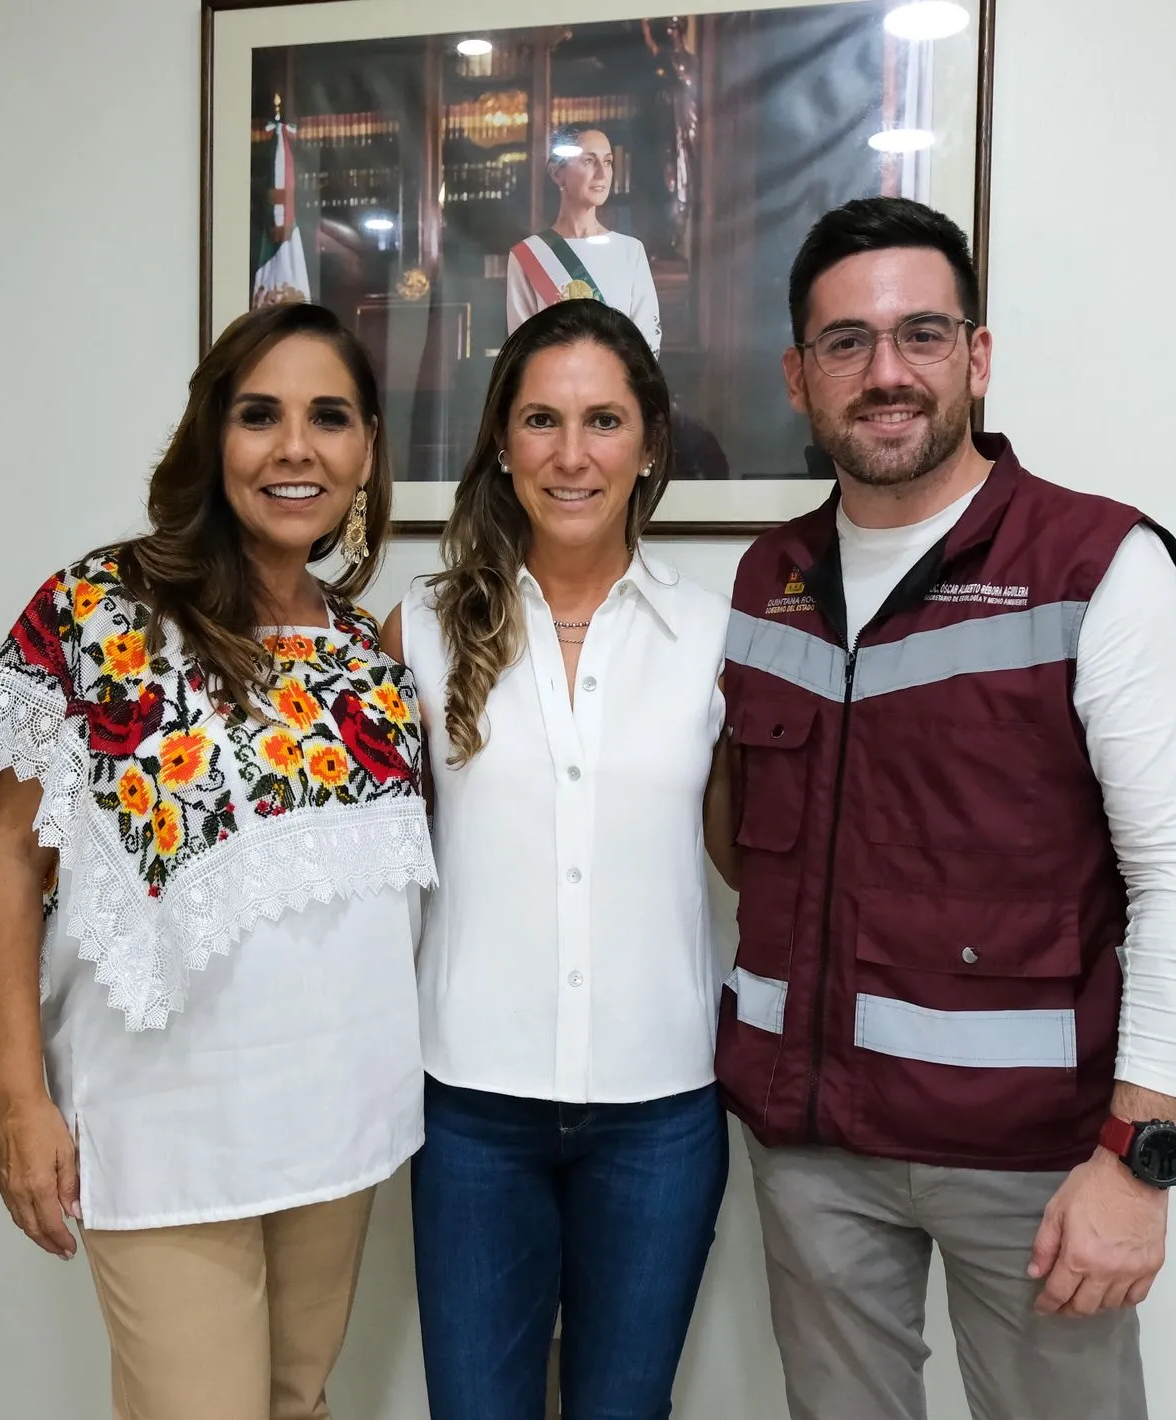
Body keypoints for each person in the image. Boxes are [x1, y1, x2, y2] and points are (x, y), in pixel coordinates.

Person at [709, 197, 1176, 1420]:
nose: (885, 373)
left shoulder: (1096, 566)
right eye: (846, 342)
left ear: (977, 356)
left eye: (921, 335)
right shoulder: (764, 581)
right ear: (798, 375)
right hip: (809, 1144)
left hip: (1038, 1164)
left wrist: (1137, 1161)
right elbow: (746, 843)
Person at [0, 302, 432, 1420]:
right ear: (212, 438)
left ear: (365, 452)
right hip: (166, 1128)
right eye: (260, 415)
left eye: (330, 417)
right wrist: (17, 1097)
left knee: (297, 1401)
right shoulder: (99, 611)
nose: (295, 447)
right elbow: (10, 858)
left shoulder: (369, 657)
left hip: (334, 1120)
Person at [382, 299, 729, 1420]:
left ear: (650, 442)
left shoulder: (717, 637)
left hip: (660, 1113)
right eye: (540, 419)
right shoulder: (420, 630)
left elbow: (750, 856)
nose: (570, 454)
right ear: (499, 440)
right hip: (471, 1111)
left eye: (602, 420)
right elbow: (379, 870)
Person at [507, 125, 662, 355]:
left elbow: (647, 344)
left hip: (615, 389)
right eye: (589, 161)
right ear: (556, 173)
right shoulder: (528, 254)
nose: (601, 173)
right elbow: (522, 352)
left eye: (608, 162)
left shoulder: (631, 252)